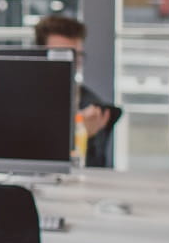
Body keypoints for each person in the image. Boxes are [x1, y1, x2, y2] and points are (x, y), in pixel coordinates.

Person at [34, 15, 121, 168]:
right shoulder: (23, 100)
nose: (72, 64)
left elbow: (97, 170)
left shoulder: (93, 108)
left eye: (77, 56)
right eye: (62, 55)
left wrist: (89, 138)